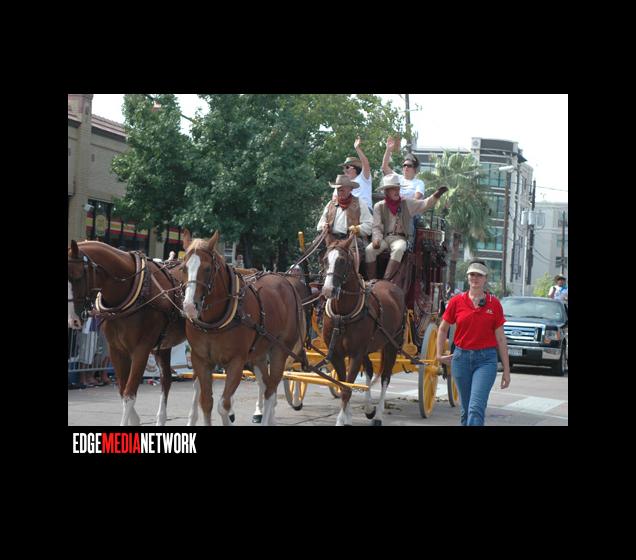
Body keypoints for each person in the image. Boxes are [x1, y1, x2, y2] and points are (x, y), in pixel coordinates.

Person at [436, 259, 511, 426]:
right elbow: (442, 329)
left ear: (485, 279)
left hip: (486, 361)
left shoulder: (494, 304)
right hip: (460, 359)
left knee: (476, 408)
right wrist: (439, 355)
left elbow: (501, 339)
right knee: (466, 410)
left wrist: (506, 370)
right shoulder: (456, 301)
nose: (475, 278)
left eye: (479, 275)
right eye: (472, 275)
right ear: (467, 277)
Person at [365, 173, 447, 280]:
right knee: (369, 250)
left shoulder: (407, 203)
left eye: (398, 188)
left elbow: (424, 204)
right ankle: (371, 281)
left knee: (398, 249)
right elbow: (376, 226)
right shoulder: (379, 206)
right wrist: (376, 239)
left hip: (400, 238)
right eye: (393, 189)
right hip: (384, 238)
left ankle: (386, 280)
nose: (397, 191)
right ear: (386, 191)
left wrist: (436, 195)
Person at [317, 174, 373, 264]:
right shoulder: (330, 204)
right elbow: (320, 225)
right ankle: (322, 270)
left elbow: (370, 225)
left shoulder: (360, 203)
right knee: (317, 244)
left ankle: (355, 271)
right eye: (338, 189)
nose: (340, 191)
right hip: (331, 238)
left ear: (350, 189)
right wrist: (324, 225)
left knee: (356, 250)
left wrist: (357, 229)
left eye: (343, 189)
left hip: (351, 238)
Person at [334, 136, 373, 212]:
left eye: (347, 167)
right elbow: (335, 198)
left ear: (356, 168)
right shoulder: (343, 182)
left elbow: (366, 164)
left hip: (364, 210)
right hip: (348, 210)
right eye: (343, 168)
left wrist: (357, 148)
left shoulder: (364, 178)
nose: (344, 170)